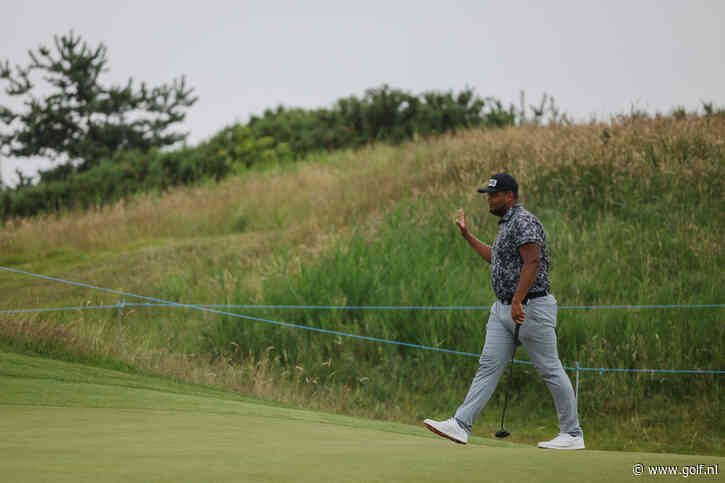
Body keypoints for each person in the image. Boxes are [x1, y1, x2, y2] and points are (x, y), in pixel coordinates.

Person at [423, 172, 584, 450]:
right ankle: (461, 424)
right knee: (488, 366)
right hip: (504, 310)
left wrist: (519, 300)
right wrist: (467, 236)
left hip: (531, 307)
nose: (489, 200)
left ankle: (572, 433)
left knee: (549, 369)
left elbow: (532, 261)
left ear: (510, 196)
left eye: (494, 195)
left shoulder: (523, 221)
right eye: (488, 195)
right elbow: (495, 258)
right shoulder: (506, 225)